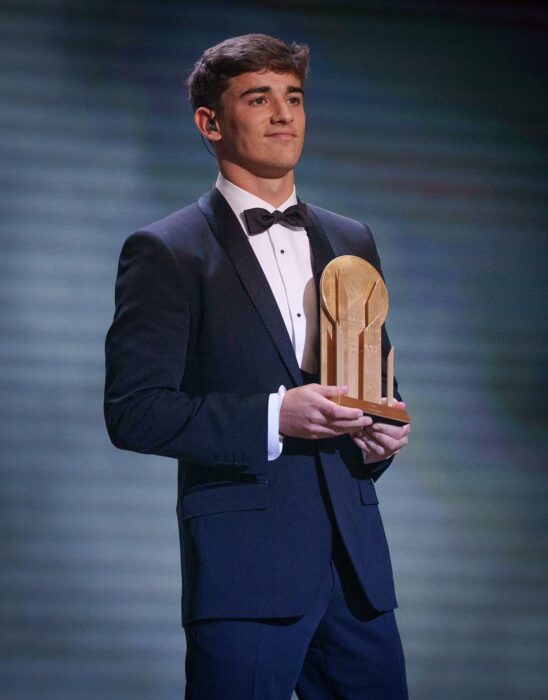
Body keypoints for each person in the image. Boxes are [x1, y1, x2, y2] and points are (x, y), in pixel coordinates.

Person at [105, 33, 410, 700]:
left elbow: (376, 385)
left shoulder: (351, 238)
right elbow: (135, 412)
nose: (283, 114)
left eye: (293, 97)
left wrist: (382, 434)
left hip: (356, 574)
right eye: (259, 97)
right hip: (245, 575)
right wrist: (277, 415)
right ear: (210, 123)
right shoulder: (167, 251)